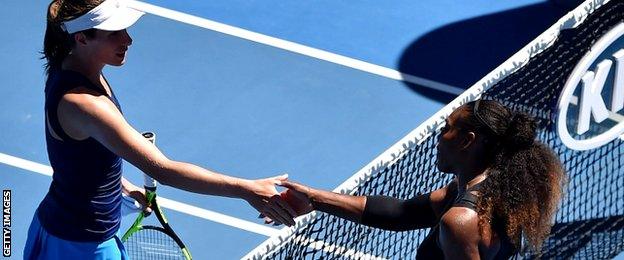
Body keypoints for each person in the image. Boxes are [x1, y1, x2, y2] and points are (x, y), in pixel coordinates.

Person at [25, 0, 296, 259]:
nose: (128, 40)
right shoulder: (86, 104)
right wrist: (247, 189)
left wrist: (122, 186)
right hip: (78, 247)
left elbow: (80, 153)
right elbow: (163, 170)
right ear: (81, 38)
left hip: (64, 230)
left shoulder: (72, 65)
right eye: (114, 33)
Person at [278, 100, 566, 259]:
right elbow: (401, 214)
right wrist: (314, 199)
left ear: (468, 141)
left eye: (446, 129)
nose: (438, 138)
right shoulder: (495, 188)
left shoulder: (461, 222)